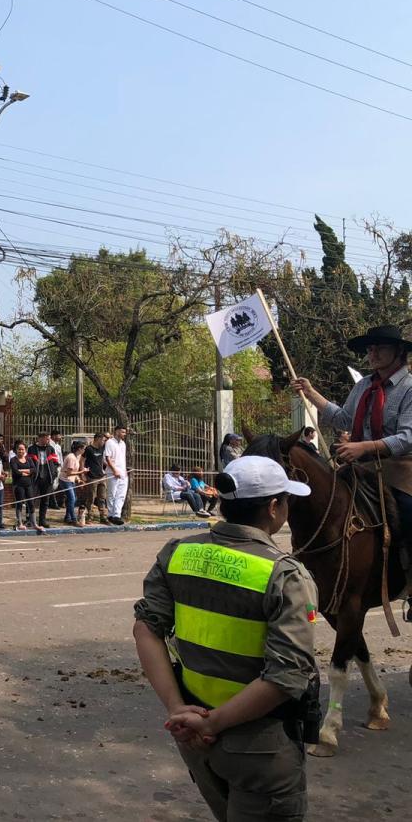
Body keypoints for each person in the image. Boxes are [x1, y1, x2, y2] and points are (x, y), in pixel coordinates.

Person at [134, 455, 319, 821]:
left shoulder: (177, 553)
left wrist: (177, 708)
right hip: (258, 746)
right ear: (273, 507)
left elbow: (145, 629)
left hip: (194, 736)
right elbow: (287, 675)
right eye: (286, 500)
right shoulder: (286, 575)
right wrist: (213, 723)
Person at [293, 323, 412, 581]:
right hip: (360, 466)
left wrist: (364, 447)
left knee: (409, 510)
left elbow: (407, 438)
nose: (373, 354)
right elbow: (344, 419)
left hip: (400, 469)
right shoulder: (364, 386)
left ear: (399, 351)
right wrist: (311, 393)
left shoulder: (409, 388)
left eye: (380, 348)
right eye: (370, 349)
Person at [27, 432, 59, 530]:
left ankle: (42, 520)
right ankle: (30, 519)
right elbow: (29, 461)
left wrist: (54, 473)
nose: (48, 440)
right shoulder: (32, 448)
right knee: (31, 499)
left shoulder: (50, 449)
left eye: (48, 439)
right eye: (47, 438)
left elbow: (55, 462)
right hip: (35, 478)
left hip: (47, 478)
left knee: (45, 500)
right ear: (40, 438)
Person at [81, 432, 109, 524]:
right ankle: (90, 516)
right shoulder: (89, 449)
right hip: (92, 477)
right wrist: (83, 473)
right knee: (91, 498)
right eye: (103, 440)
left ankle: (103, 516)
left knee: (102, 498)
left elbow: (110, 438)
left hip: (102, 476)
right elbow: (82, 460)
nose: (104, 442)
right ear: (98, 439)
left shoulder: (102, 448)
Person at [105, 424, 129, 525]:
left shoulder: (123, 444)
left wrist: (124, 470)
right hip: (112, 472)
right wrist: (114, 470)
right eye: (122, 432)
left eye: (125, 432)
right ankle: (111, 514)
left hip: (123, 473)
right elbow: (108, 458)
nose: (124, 434)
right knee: (112, 494)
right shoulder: (110, 442)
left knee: (121, 495)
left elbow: (122, 459)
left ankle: (117, 515)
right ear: (117, 431)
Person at [7, 440, 34, 529]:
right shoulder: (13, 460)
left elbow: (33, 469)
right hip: (18, 485)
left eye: (22, 449)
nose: (21, 451)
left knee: (31, 503)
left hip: (28, 484)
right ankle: (20, 523)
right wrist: (26, 472)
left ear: (25, 450)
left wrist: (22, 470)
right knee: (19, 504)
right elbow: (15, 471)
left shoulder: (28, 459)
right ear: (16, 450)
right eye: (19, 449)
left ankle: (34, 523)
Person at [61, 440, 85, 525]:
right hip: (65, 480)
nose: (84, 450)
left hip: (71, 480)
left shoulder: (77, 457)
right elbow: (69, 473)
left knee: (73, 499)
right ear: (79, 449)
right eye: (83, 449)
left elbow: (74, 471)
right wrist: (82, 472)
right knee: (72, 499)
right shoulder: (71, 457)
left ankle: (67, 517)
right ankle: (73, 519)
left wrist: (78, 479)